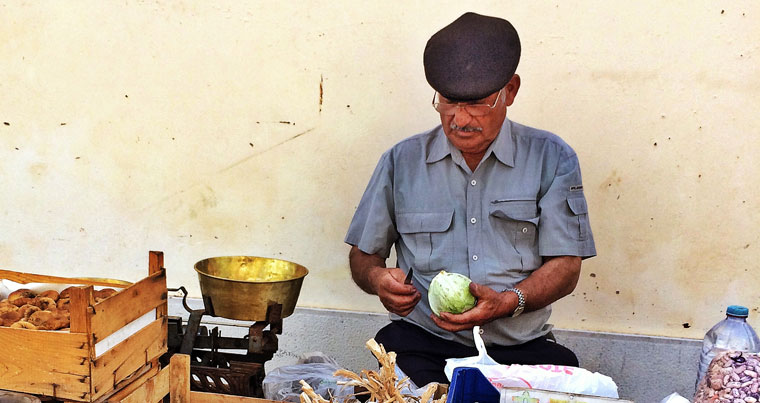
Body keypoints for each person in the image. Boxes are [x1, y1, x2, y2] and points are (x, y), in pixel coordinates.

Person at [344, 12, 596, 387]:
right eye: (448, 102)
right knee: (387, 388)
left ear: (509, 91)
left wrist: (508, 301)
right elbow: (363, 256)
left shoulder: (552, 158)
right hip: (424, 344)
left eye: (477, 103)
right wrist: (379, 279)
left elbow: (566, 266)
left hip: (519, 348)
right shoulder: (402, 161)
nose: (460, 119)